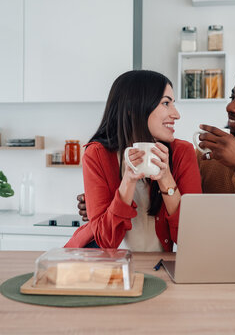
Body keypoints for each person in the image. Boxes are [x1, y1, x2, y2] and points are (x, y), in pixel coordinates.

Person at [76, 55, 235, 221]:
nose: (230, 107)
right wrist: (107, 205)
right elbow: (179, 210)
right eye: (232, 96)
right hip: (205, 268)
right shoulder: (206, 157)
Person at [65, 70, 202, 251]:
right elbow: (106, 240)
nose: (176, 114)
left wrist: (165, 178)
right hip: (108, 265)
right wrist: (128, 182)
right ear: (132, 108)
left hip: (157, 265)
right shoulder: (96, 154)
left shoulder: (182, 153)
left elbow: (192, 238)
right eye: (166, 103)